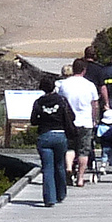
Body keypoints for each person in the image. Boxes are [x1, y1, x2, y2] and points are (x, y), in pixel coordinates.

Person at [28, 77, 74, 207]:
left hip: (44, 136)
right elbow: (72, 116)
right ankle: (61, 193)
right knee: (59, 165)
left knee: (47, 168)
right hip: (60, 135)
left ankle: (49, 198)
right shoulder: (62, 100)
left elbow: (33, 120)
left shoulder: (38, 102)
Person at [56, 61, 99, 187]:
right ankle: (80, 178)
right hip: (85, 121)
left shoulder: (64, 84)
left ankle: (69, 168)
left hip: (69, 122)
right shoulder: (90, 85)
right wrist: (94, 119)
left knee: (69, 147)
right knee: (83, 151)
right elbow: (94, 104)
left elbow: (61, 101)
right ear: (84, 70)